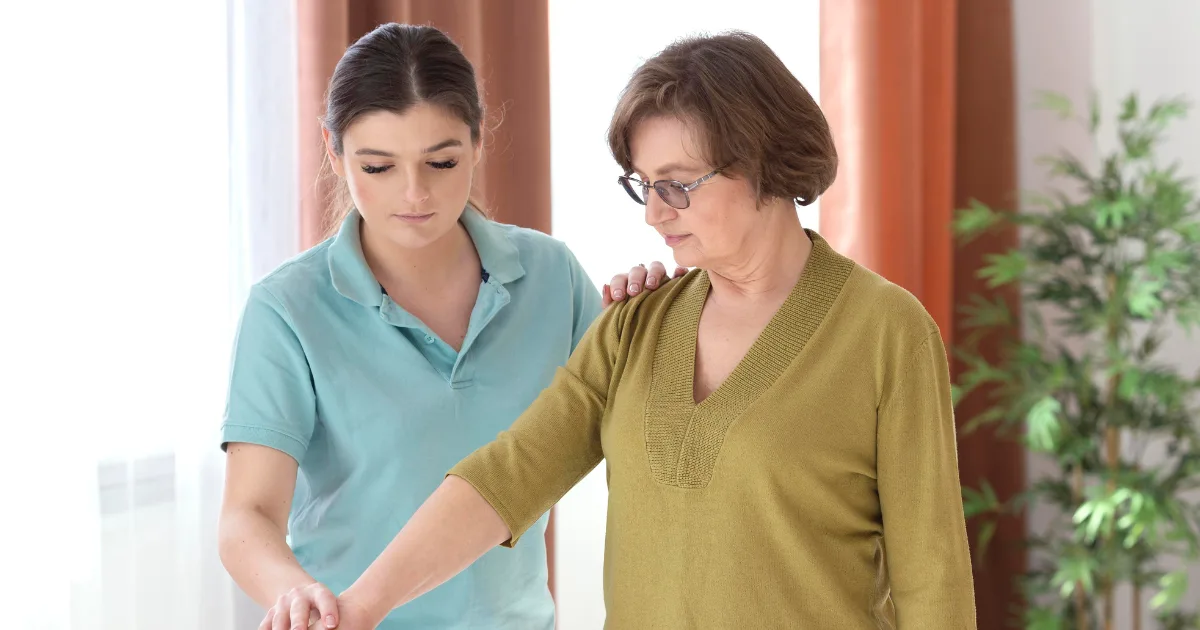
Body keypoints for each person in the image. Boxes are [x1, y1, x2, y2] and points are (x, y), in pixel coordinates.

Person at [296, 30, 980, 629]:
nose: (655, 213)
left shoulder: (886, 332)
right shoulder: (634, 325)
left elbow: (933, 578)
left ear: (762, 162)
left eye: (678, 184)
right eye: (643, 185)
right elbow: (507, 478)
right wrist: (361, 607)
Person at [216, 23, 680, 630]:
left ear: (478, 141)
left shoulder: (550, 276)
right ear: (334, 151)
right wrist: (295, 593)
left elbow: (649, 429)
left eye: (441, 161)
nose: (415, 193)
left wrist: (653, 316)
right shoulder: (287, 310)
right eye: (378, 167)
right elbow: (247, 514)